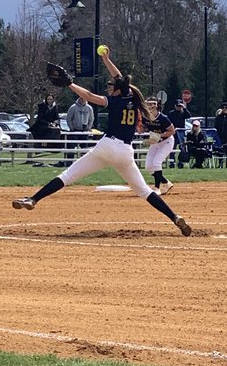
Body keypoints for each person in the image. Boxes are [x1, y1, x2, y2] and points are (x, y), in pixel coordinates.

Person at [11, 50, 192, 237]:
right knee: (144, 191)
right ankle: (175, 217)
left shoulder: (114, 101)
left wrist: (70, 84)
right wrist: (106, 59)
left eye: (110, 86)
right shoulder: (131, 96)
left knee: (68, 175)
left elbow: (89, 96)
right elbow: (119, 77)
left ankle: (33, 199)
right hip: (125, 152)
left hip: (106, 147)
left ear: (117, 89)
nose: (108, 88)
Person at [143, 97, 176, 194]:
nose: (150, 106)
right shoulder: (145, 117)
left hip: (166, 141)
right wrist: (139, 127)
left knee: (156, 163)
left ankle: (157, 188)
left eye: (152, 104)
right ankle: (166, 183)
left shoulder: (163, 118)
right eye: (148, 104)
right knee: (148, 167)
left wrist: (159, 135)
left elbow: (172, 131)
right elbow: (143, 128)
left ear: (157, 105)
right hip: (155, 142)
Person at [65, 91, 95, 160]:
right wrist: (71, 128)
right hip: (74, 131)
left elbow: (91, 119)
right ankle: (69, 162)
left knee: (84, 148)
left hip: (84, 131)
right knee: (71, 147)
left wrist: (88, 127)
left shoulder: (89, 108)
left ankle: (83, 162)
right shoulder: (73, 107)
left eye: (85, 98)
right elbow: (69, 118)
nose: (83, 99)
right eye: (82, 98)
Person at [166, 94, 190, 167]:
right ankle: (172, 162)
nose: (179, 107)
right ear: (175, 106)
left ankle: (180, 162)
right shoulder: (171, 113)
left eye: (180, 106)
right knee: (172, 148)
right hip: (173, 133)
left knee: (181, 148)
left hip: (181, 133)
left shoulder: (183, 113)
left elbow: (189, 116)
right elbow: (168, 122)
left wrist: (184, 108)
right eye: (178, 106)